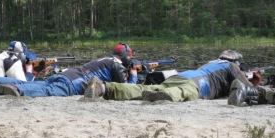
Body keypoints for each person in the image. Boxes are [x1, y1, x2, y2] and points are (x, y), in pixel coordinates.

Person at [0, 43, 139, 97]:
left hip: (67, 75)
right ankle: (17, 90)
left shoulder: (106, 59)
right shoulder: (117, 65)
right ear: (126, 57)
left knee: (42, 84)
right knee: (45, 91)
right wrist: (133, 76)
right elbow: (124, 89)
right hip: (74, 84)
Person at [83, 49, 254, 102]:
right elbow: (247, 88)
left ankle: (103, 87)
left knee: (143, 87)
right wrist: (256, 81)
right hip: (197, 83)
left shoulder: (212, 63)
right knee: (182, 92)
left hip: (183, 75)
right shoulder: (231, 65)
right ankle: (162, 97)